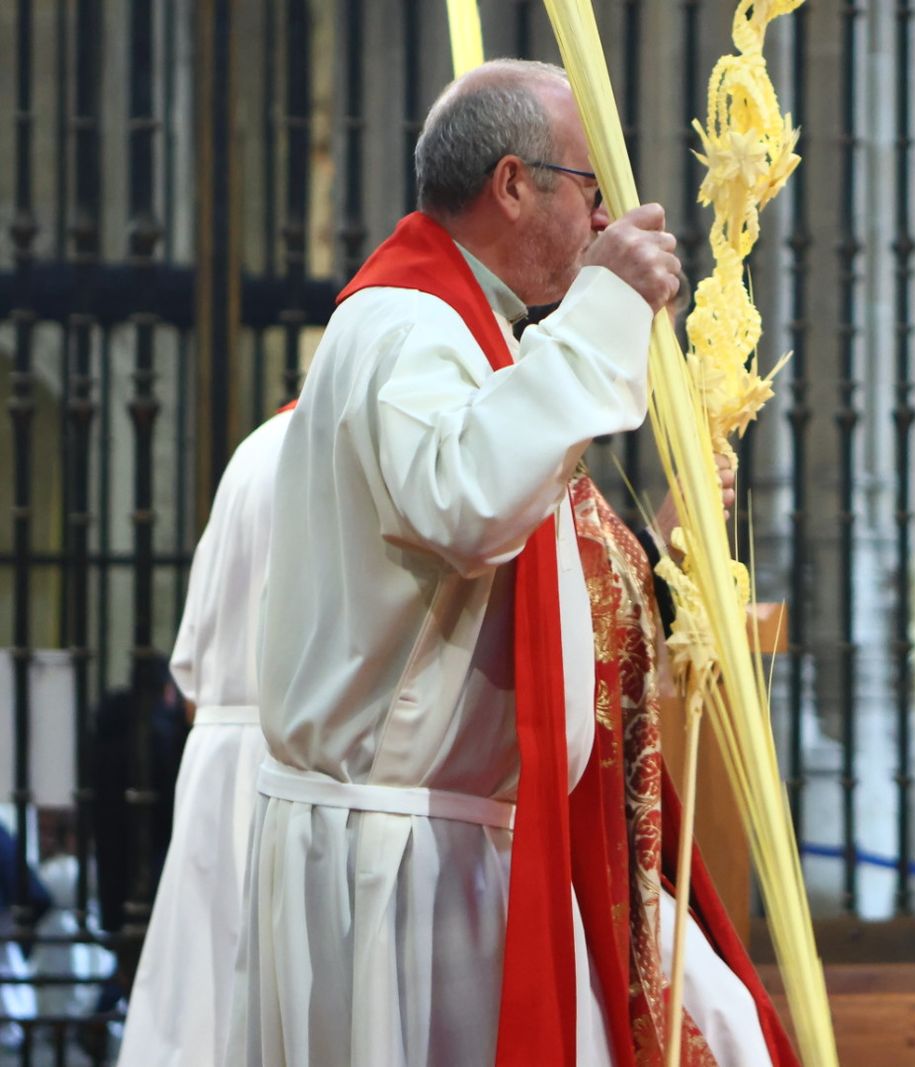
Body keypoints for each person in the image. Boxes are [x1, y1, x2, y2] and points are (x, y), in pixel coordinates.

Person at [228, 59, 796, 1067]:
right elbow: (469, 501)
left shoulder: (466, 329)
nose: (603, 218)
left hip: (446, 840)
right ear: (512, 184)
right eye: (591, 189)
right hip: (402, 859)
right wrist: (609, 306)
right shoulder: (407, 322)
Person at [118, 406, 293, 1065]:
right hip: (292, 764)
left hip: (218, 758)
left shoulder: (251, 451)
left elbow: (189, 674)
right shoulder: (346, 446)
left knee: (197, 1006)